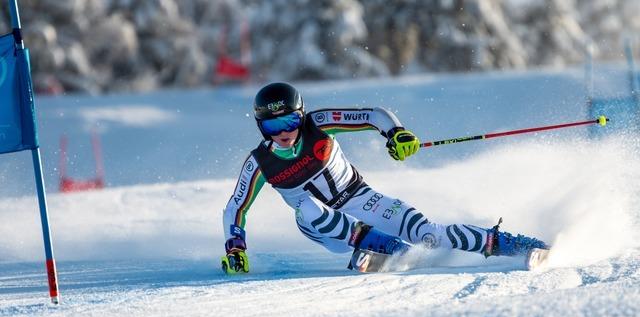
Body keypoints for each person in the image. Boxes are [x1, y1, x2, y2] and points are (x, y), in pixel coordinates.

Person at [221, 82, 548, 274]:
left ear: (302, 115)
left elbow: (372, 115)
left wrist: (396, 133)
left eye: (290, 121)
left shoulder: (318, 123)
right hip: (322, 226)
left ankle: (515, 245)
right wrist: (236, 248)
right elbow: (235, 207)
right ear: (260, 127)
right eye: (272, 127)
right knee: (306, 207)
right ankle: (388, 249)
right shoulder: (260, 163)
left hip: (361, 198)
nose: (285, 133)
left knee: (428, 233)